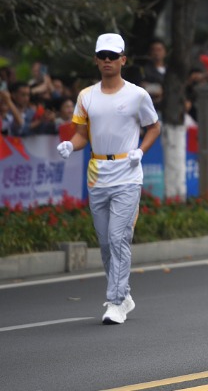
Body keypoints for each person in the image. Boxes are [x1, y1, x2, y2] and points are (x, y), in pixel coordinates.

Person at [57, 33, 161, 324]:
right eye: (102, 56)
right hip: (97, 175)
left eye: (112, 56)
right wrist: (70, 145)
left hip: (127, 175)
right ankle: (123, 293)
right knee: (105, 243)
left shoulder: (137, 95)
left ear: (122, 60)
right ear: (96, 60)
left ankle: (115, 302)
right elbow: (80, 134)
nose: (107, 61)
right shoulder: (86, 97)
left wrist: (140, 151)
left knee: (118, 238)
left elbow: (154, 127)